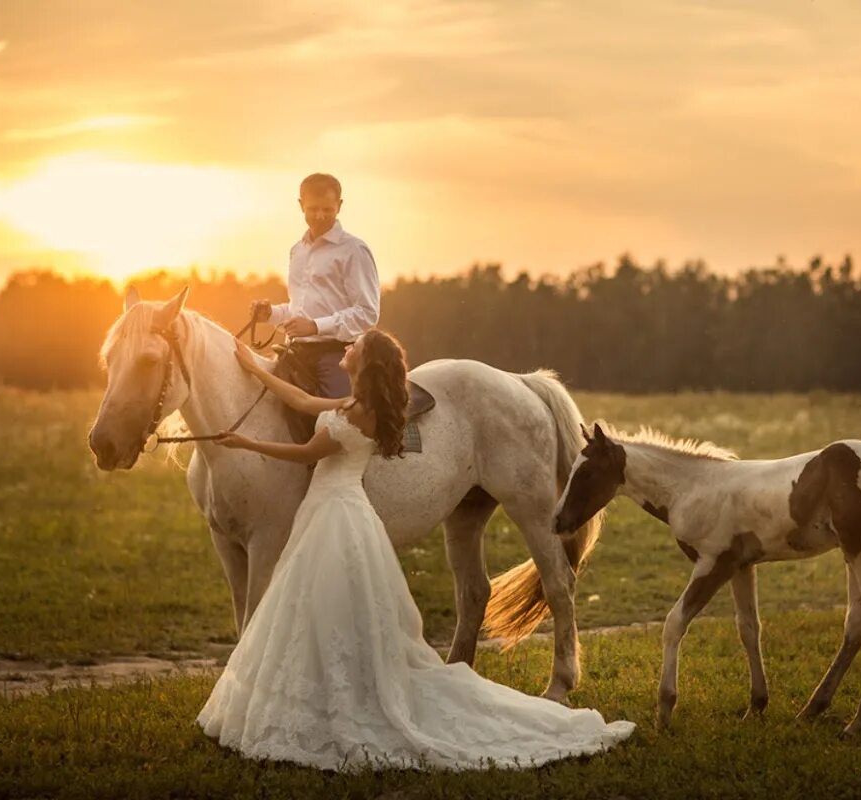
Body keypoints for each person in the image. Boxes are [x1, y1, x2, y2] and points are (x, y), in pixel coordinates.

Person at [197, 330, 634, 771]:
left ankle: (564, 668)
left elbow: (305, 449)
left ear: (365, 365)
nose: (351, 350)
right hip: (328, 505)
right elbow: (305, 403)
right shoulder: (351, 407)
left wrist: (247, 443)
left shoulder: (357, 415)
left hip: (336, 512)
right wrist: (256, 368)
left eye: (357, 350)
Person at [252, 172, 380, 441]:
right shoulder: (297, 251)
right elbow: (299, 310)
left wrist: (315, 326)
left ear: (340, 206)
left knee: (342, 429)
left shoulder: (354, 250)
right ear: (300, 205)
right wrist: (271, 314)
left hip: (337, 355)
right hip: (294, 353)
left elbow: (368, 313)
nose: (320, 216)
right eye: (312, 209)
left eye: (327, 209)